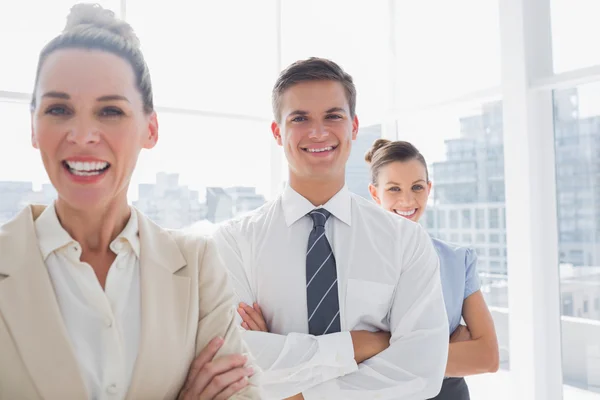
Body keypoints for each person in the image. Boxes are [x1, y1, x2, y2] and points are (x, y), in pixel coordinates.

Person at [0, 4, 260, 399]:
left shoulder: (197, 266)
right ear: (34, 127)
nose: (83, 134)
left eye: (110, 111)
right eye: (58, 109)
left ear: (150, 128)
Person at [213, 57, 449, 399]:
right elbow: (232, 359)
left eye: (333, 116)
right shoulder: (235, 241)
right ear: (278, 132)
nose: (318, 132)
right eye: (300, 118)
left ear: (353, 126)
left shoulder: (406, 241)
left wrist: (297, 391)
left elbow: (420, 371)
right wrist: (358, 346)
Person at [364, 138, 500, 399]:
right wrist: (447, 349)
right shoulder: (355, 260)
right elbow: (344, 357)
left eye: (417, 187)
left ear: (429, 189)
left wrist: (383, 350)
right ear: (374, 193)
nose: (407, 200)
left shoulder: (458, 260)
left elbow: (487, 357)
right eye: (393, 189)